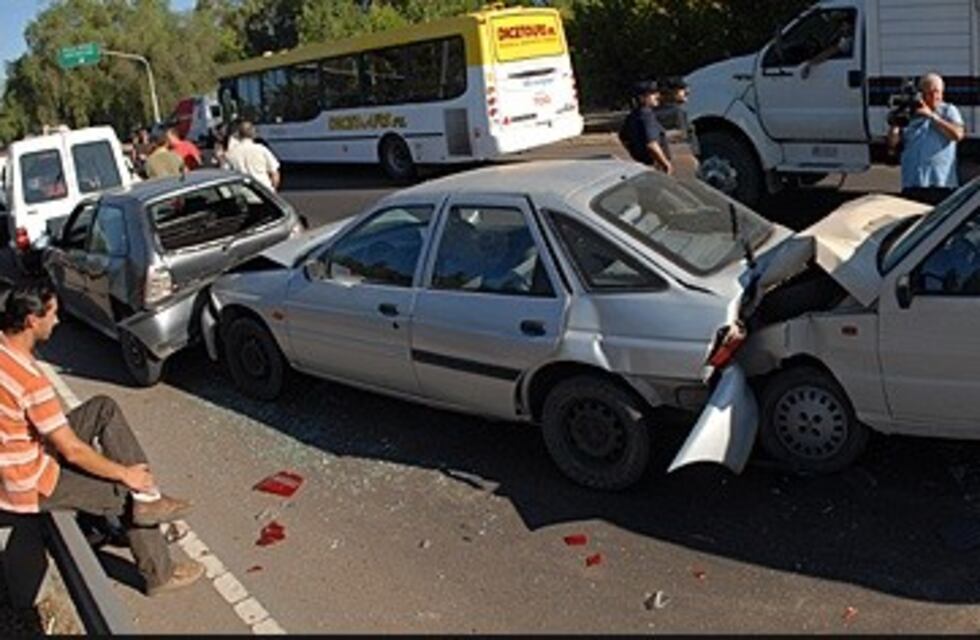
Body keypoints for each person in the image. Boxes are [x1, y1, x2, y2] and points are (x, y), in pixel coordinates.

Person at [0, 277, 203, 596]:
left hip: (20, 456)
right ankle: (158, 572)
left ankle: (148, 499)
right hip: (28, 481)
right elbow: (72, 451)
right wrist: (126, 475)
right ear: (31, 321)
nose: (57, 319)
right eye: (52, 313)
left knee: (102, 408)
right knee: (125, 494)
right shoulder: (30, 382)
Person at [887, 72, 965, 204]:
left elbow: (958, 134)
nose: (935, 97)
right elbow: (893, 144)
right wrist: (895, 125)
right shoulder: (910, 113)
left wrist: (931, 116)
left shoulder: (948, 110)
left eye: (937, 92)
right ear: (921, 94)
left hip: (940, 184)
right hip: (913, 183)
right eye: (929, 93)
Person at [618, 80, 673, 174]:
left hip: (643, 166)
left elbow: (623, 137)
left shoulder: (633, 116)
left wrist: (635, 153)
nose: (657, 96)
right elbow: (651, 144)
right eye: (652, 94)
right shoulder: (646, 115)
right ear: (642, 98)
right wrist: (665, 164)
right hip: (655, 165)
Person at [225, 121, 281, 191]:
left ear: (239, 134)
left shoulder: (231, 153)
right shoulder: (261, 149)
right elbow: (274, 173)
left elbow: (226, 174)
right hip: (263, 188)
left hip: (243, 192)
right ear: (253, 134)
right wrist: (272, 189)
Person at [801, 15, 855, 79]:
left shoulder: (848, 41)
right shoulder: (844, 38)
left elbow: (831, 51)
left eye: (844, 26)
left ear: (851, 26)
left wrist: (810, 63)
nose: (841, 28)